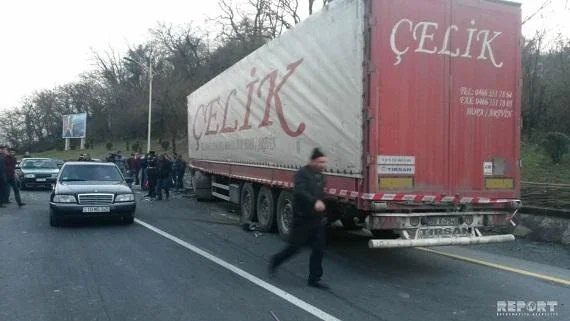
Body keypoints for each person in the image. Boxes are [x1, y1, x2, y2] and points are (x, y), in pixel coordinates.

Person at [269, 148, 329, 289]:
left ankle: (314, 279)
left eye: (324, 162)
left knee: (319, 248)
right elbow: (300, 192)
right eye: (320, 162)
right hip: (302, 219)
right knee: (295, 247)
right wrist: (314, 201)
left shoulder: (320, 176)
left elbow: (321, 194)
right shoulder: (302, 174)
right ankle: (276, 260)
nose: (322, 165)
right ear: (312, 161)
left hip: (317, 219)